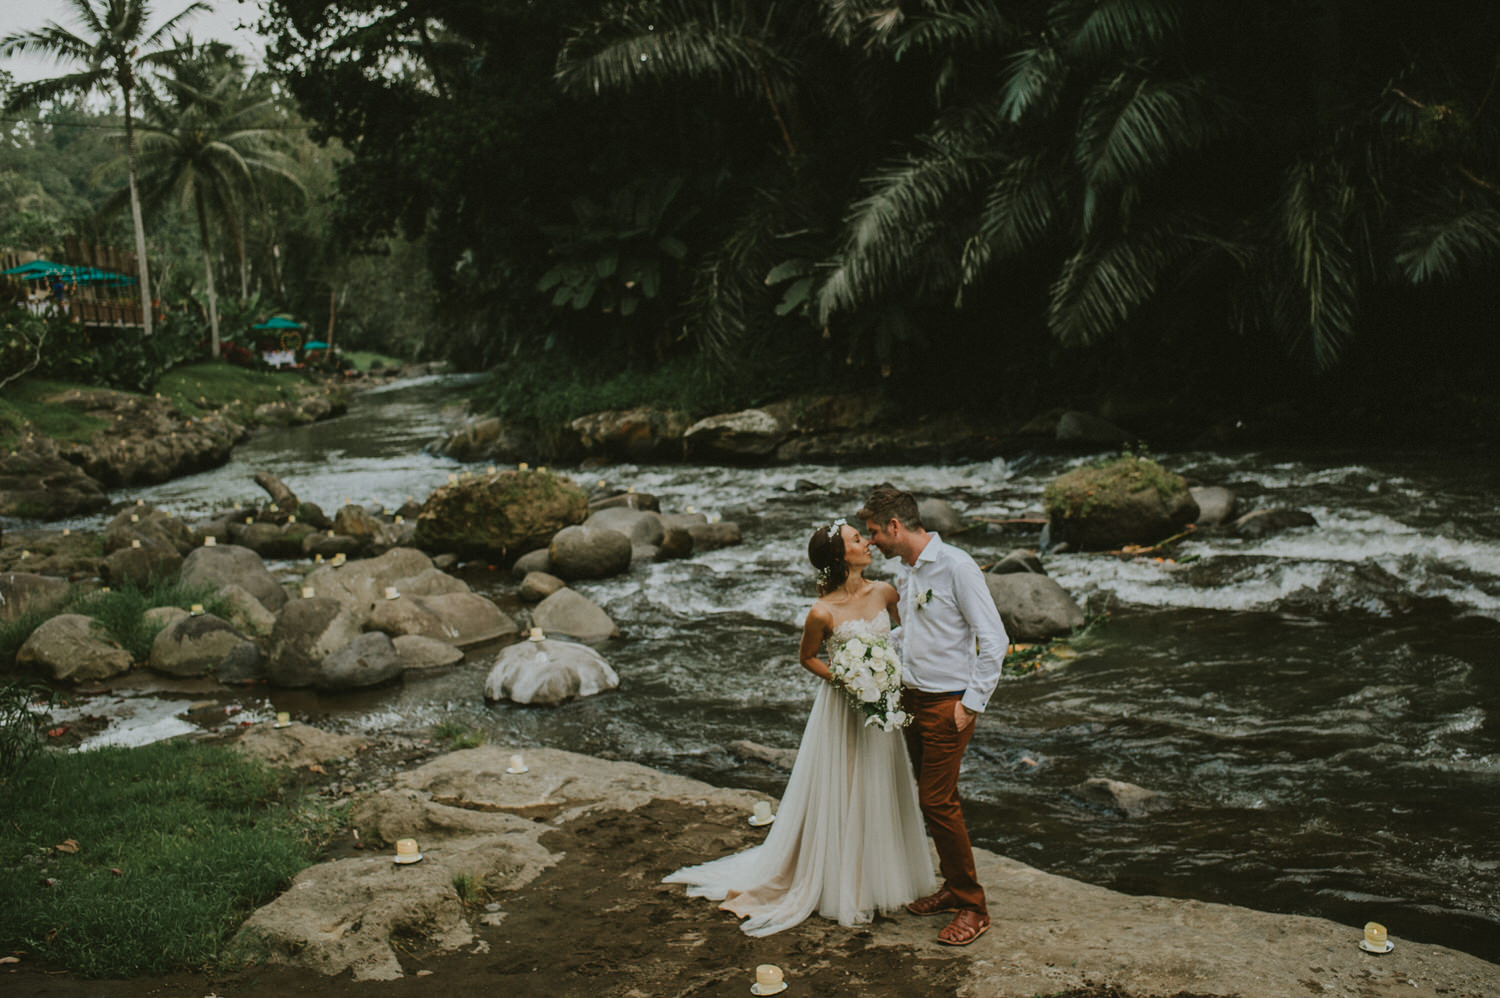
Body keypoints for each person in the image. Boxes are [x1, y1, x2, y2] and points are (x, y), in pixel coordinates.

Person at [662, 519, 934, 935]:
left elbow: (903, 639)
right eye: (857, 539)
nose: (867, 542)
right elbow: (808, 658)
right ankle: (843, 883)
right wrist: (846, 679)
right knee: (842, 788)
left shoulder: (886, 591)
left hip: (882, 705)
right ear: (841, 558)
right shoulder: (821, 611)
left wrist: (887, 679)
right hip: (843, 708)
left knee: (880, 784)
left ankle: (879, 874)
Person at [859, 486, 1007, 947]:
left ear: (896, 527)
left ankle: (972, 906)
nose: (871, 543)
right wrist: (873, 652)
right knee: (936, 798)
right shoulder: (906, 570)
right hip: (912, 699)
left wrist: (972, 703)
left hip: (949, 703)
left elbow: (995, 640)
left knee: (936, 802)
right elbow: (916, 631)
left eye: (874, 533)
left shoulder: (957, 566)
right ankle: (952, 887)